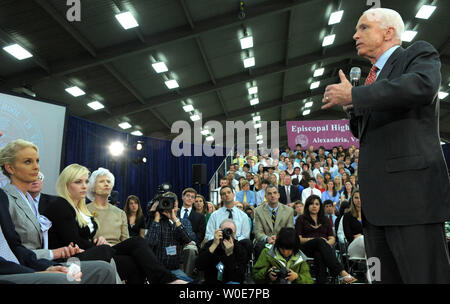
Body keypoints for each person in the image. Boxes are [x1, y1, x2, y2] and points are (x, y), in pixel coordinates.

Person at [322, 7, 450, 283]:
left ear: (388, 32)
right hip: (376, 213)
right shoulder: (373, 79)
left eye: (363, 27)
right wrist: (351, 106)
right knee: (380, 279)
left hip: (412, 205)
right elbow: (362, 131)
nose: (355, 35)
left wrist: (356, 94)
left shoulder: (417, 54)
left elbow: (422, 86)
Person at [42, 164, 185, 284]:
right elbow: (73, 242)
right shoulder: (61, 205)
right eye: (78, 182)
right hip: (70, 259)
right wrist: (101, 244)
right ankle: (167, 279)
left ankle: (165, 279)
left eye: (86, 181)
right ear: (66, 184)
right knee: (131, 244)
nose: (84, 186)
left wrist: (97, 241)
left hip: (93, 251)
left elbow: (83, 239)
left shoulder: (82, 208)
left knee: (135, 258)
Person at [0, 137, 114, 284]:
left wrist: (54, 257)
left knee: (104, 268)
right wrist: (50, 259)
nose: (36, 167)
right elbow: (13, 250)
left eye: (37, 161)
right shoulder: (6, 198)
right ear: (10, 168)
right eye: (28, 162)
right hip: (24, 264)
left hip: (37, 260)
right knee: (68, 276)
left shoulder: (32, 201)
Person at [295, 195, 356, 284]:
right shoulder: (301, 219)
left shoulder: (325, 219)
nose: (314, 206)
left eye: (317, 204)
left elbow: (332, 238)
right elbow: (298, 239)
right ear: (307, 206)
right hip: (306, 247)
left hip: (322, 248)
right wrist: (314, 239)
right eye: (311, 204)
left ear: (320, 206)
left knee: (319, 254)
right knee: (319, 241)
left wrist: (324, 244)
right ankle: (341, 272)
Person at [146, 191, 196, 282]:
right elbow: (150, 243)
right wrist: (156, 218)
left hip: (174, 269)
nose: (168, 205)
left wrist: (174, 219)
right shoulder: (157, 222)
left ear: (176, 204)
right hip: (158, 270)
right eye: (165, 202)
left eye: (171, 202)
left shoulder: (184, 222)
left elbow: (188, 240)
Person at [196, 219, 249, 284]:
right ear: (219, 231)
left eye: (230, 231)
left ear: (235, 234)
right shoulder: (211, 244)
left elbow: (238, 277)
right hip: (211, 281)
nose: (227, 234)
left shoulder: (239, 248)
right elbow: (199, 266)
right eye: (225, 231)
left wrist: (230, 254)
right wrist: (214, 245)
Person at [253, 185, 294, 259]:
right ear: (265, 197)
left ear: (278, 195)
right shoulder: (258, 211)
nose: (272, 195)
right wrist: (267, 238)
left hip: (283, 241)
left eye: (275, 193)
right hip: (265, 242)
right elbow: (258, 232)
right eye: (269, 193)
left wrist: (278, 238)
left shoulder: (289, 211)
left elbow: (290, 231)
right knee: (259, 246)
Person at [177, 188, 206, 278]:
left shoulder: (200, 217)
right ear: (182, 197)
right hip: (173, 243)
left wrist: (192, 242)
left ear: (194, 200)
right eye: (188, 196)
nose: (190, 198)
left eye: (192, 197)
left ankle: (186, 278)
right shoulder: (174, 212)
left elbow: (200, 235)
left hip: (191, 244)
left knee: (191, 249)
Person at [342, 191, 365, 259]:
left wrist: (361, 236)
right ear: (352, 199)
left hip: (367, 244)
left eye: (361, 198)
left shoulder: (368, 216)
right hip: (353, 246)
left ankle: (371, 269)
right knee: (362, 240)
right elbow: (348, 236)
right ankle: (372, 269)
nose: (359, 200)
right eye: (356, 198)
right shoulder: (347, 216)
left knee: (366, 243)